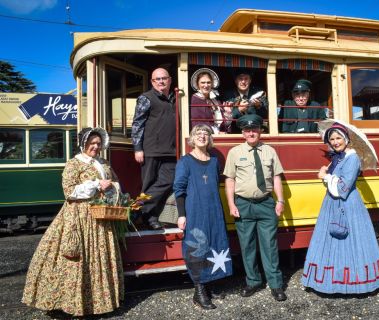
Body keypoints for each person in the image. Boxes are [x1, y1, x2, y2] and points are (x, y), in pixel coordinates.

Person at [22, 127, 124, 316]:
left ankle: (98, 303)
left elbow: (115, 183)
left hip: (101, 217)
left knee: (98, 257)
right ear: (83, 143)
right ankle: (66, 303)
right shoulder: (74, 164)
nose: (95, 146)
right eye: (92, 143)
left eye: (98, 143)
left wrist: (118, 193)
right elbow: (69, 191)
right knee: (74, 256)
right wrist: (95, 185)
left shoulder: (103, 162)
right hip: (79, 215)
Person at [302, 122, 379, 294]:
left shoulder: (353, 159)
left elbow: (342, 189)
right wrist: (327, 174)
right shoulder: (337, 158)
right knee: (331, 242)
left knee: (352, 242)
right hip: (331, 204)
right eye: (332, 139)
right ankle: (332, 282)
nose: (335, 141)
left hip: (348, 206)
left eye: (338, 138)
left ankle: (355, 283)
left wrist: (325, 176)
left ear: (346, 139)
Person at [223, 114, 287, 302]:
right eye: (247, 130)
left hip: (266, 203)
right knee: (247, 245)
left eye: (255, 129)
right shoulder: (235, 152)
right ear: (242, 132)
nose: (251, 133)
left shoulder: (270, 151)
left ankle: (276, 285)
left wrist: (280, 201)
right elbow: (230, 179)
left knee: (270, 245)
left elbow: (276, 178)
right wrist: (231, 204)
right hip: (243, 204)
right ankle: (253, 281)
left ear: (260, 130)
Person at [174, 124, 232, 309]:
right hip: (195, 210)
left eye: (206, 133)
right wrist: (182, 215)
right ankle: (199, 291)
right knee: (197, 248)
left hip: (214, 210)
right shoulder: (185, 161)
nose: (202, 136)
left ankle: (211, 283)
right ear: (192, 138)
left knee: (215, 243)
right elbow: (179, 190)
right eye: (198, 133)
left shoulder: (215, 161)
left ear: (210, 138)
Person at [131, 67, 176, 230]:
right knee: (149, 184)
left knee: (169, 181)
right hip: (150, 150)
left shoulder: (174, 98)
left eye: (164, 78)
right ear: (152, 82)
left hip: (171, 151)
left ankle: (137, 208)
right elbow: (137, 124)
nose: (161, 81)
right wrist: (137, 148)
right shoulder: (146, 98)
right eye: (157, 79)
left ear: (170, 80)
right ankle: (151, 218)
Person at [190, 68, 233, 134]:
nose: (206, 85)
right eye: (203, 82)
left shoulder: (215, 100)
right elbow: (199, 123)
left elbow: (224, 124)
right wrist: (217, 132)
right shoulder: (195, 99)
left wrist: (228, 113)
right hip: (205, 136)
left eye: (208, 82)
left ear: (212, 84)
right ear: (197, 84)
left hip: (220, 136)